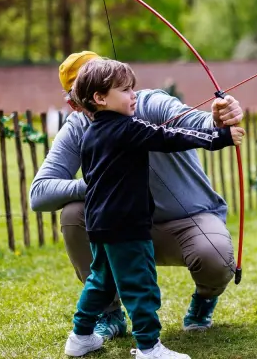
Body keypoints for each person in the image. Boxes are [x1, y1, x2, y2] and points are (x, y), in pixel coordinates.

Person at [30, 51, 244, 340]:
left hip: (186, 221)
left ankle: (205, 299)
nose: (126, 93)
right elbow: (39, 193)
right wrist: (98, 184)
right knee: (73, 213)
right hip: (124, 228)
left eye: (115, 82)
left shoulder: (148, 103)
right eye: (91, 87)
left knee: (214, 256)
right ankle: (109, 313)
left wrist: (217, 121)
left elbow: (194, 123)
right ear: (76, 102)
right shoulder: (78, 127)